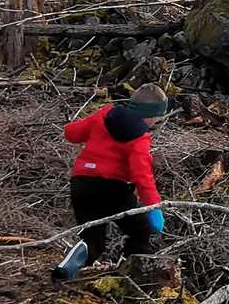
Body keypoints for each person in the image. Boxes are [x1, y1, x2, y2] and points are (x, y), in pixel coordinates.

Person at [53, 84, 169, 279]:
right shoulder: (140, 137)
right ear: (151, 115)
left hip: (81, 183)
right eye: (157, 118)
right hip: (113, 189)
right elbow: (142, 176)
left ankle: (67, 269)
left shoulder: (105, 113)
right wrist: (154, 208)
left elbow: (71, 133)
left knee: (92, 238)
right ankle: (126, 275)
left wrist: (77, 126)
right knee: (141, 231)